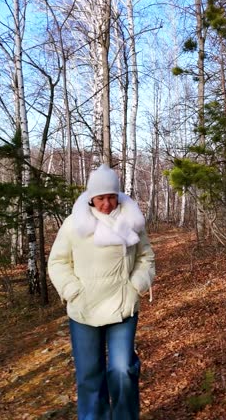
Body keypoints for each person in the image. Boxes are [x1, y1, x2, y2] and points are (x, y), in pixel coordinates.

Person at [48, 164, 156, 420]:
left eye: (111, 196)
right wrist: (73, 291)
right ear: (90, 198)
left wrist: (135, 287)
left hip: (123, 306)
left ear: (118, 195)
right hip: (84, 309)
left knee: (123, 370)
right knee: (89, 375)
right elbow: (57, 262)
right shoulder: (74, 224)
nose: (106, 203)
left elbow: (146, 258)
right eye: (100, 198)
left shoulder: (132, 221)